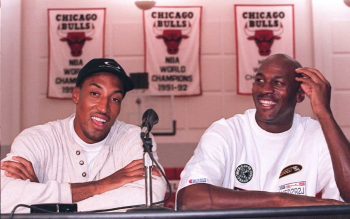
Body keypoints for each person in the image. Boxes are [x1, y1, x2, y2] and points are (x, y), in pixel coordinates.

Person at [176, 54, 350, 210]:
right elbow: (189, 199)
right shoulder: (226, 133)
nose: (265, 90)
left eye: (278, 83)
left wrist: (324, 113)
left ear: (299, 95)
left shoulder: (317, 135)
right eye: (259, 80)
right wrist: (279, 202)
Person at [0, 58, 166, 213]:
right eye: (95, 94)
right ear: (76, 95)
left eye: (115, 99)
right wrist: (100, 186)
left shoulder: (135, 139)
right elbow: (5, 197)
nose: (104, 108)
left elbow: (150, 196)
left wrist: (48, 208)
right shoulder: (36, 139)